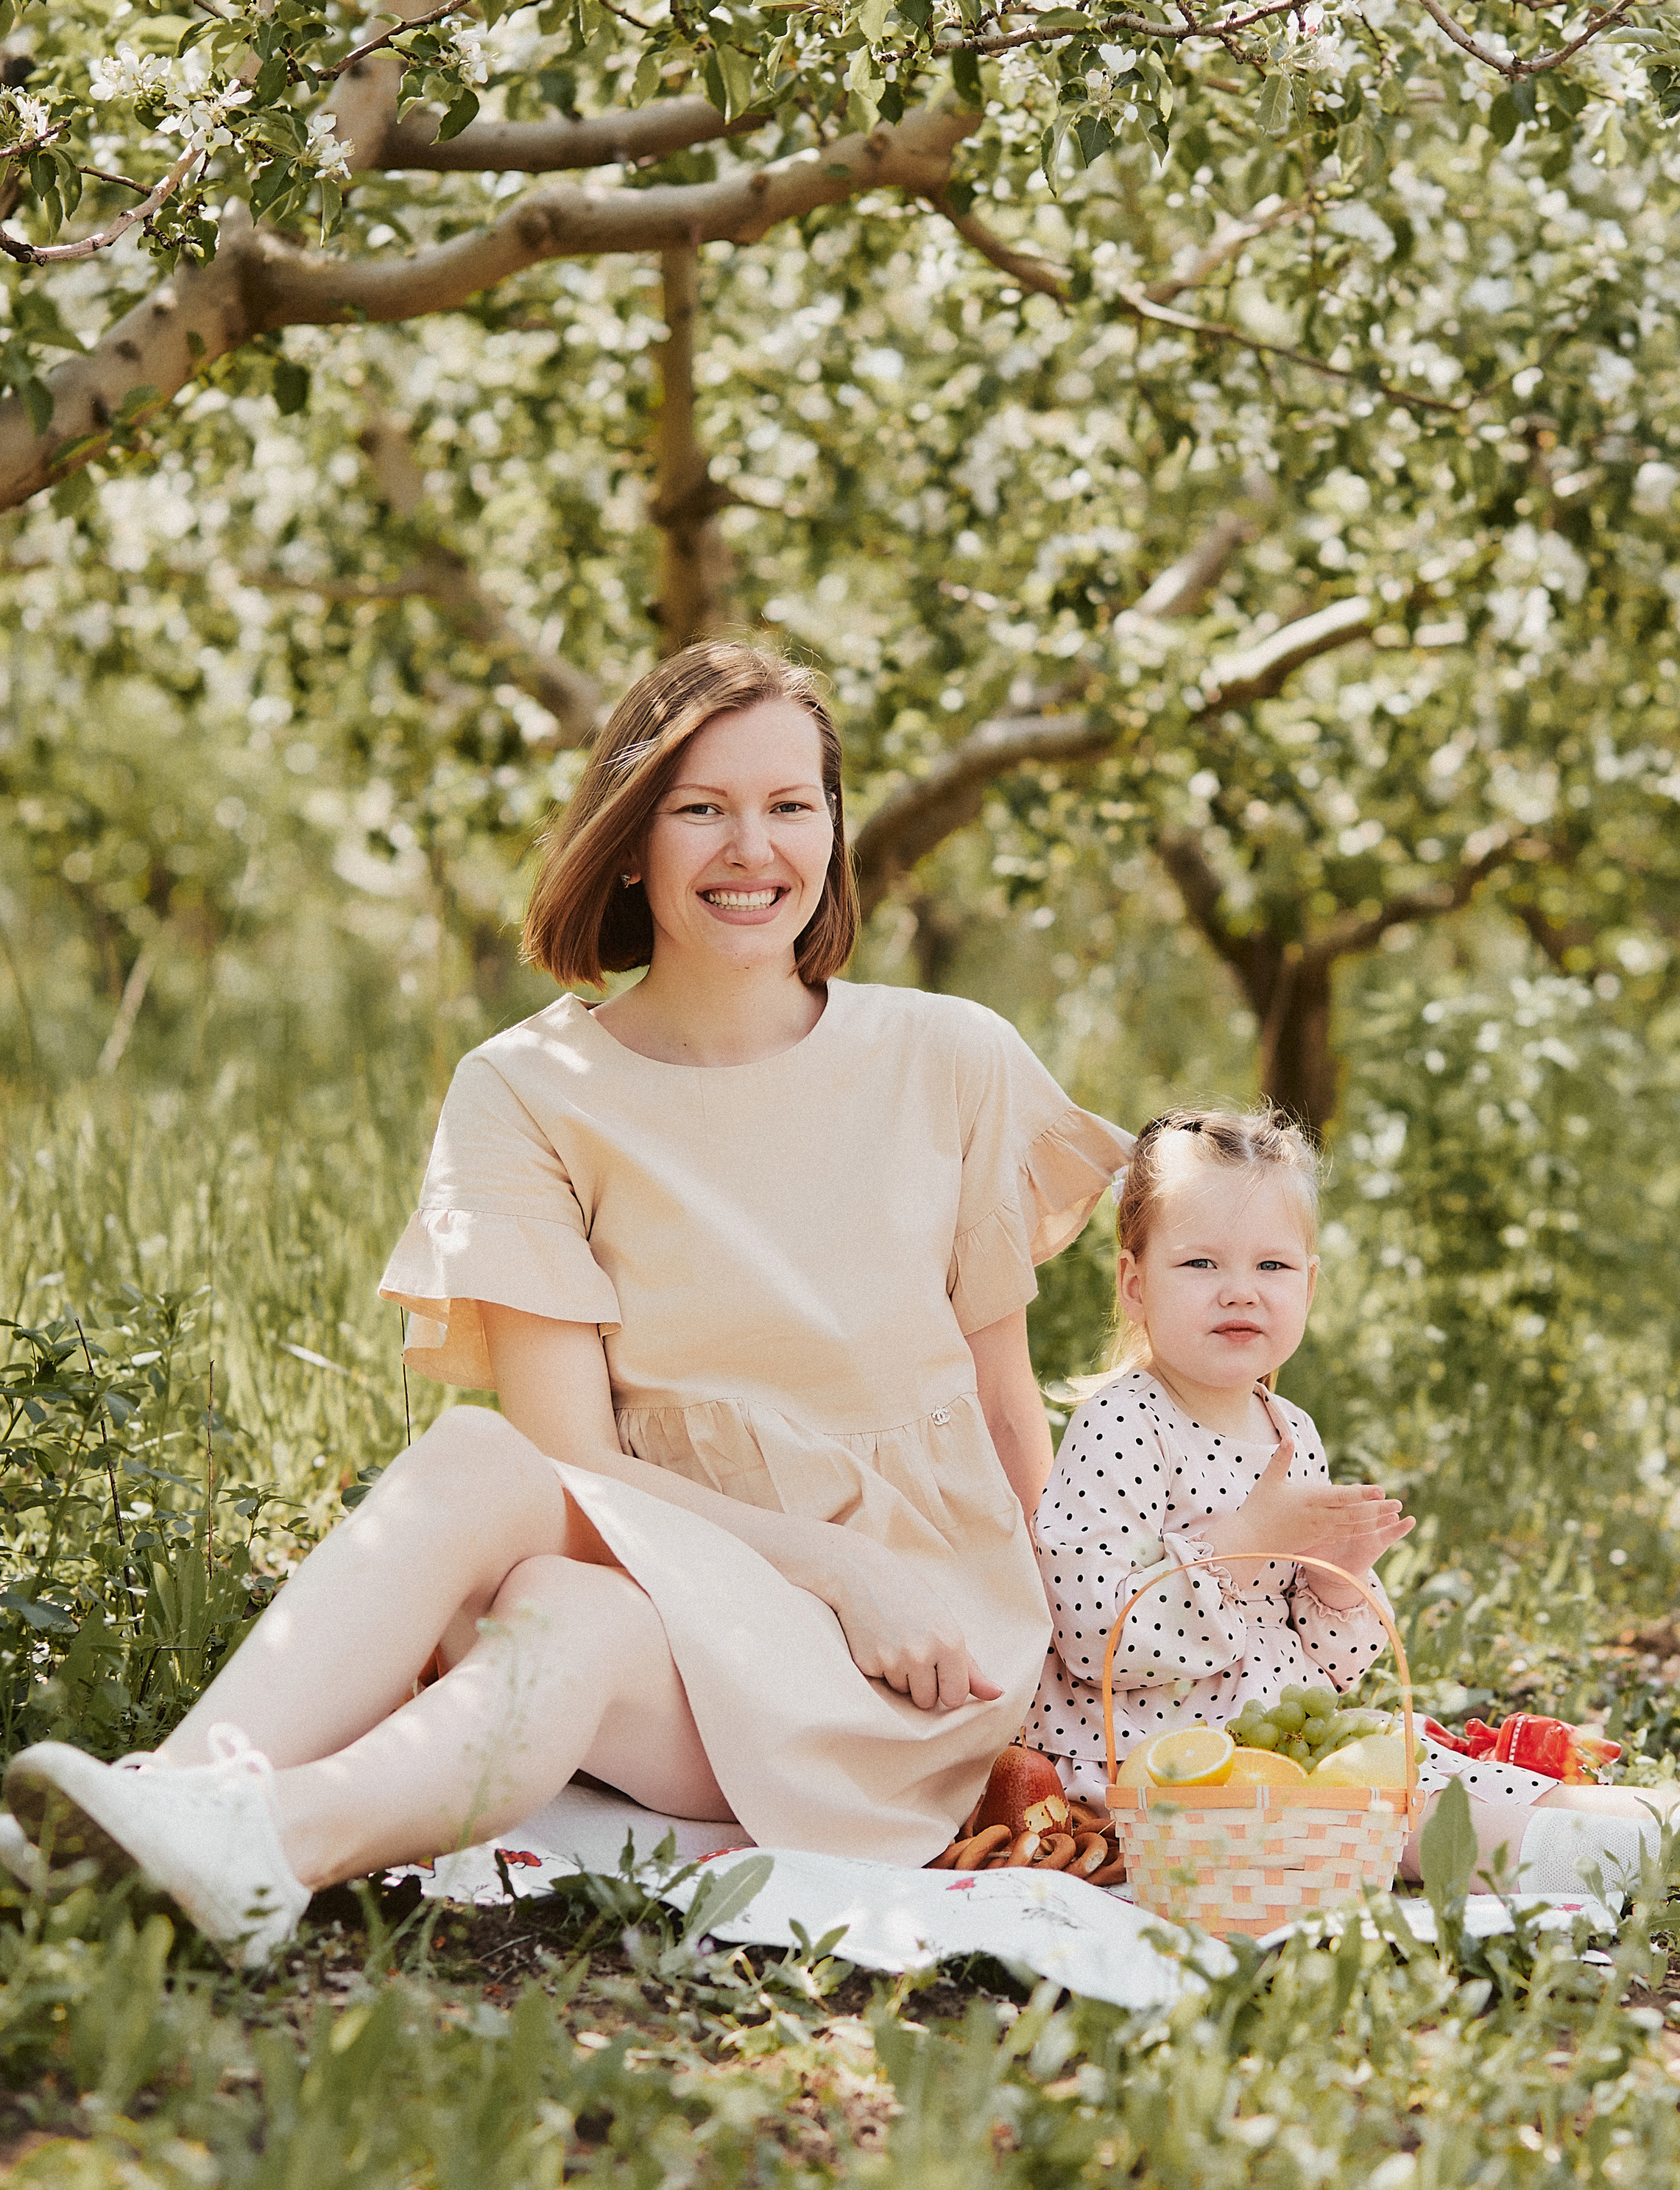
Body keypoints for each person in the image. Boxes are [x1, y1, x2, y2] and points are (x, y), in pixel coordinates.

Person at [4, 641, 1132, 1963]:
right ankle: (219, 1825)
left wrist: (1074, 1702)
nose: (751, 848)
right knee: (529, 1531)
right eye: (701, 807)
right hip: (683, 1590)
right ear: (632, 838)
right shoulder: (526, 1089)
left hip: (916, 1655)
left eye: (791, 806)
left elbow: (1008, 1406)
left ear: (834, 828)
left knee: (556, 1583)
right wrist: (835, 1565)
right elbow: (573, 1464)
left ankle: (184, 1822)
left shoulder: (953, 1058)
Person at [1026, 1107, 1680, 1934]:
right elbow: (1095, 1635)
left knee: (1455, 1769)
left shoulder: (1287, 1429)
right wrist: (1247, 1540)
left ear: (1308, 1285)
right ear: (1135, 1284)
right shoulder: (1124, 1425)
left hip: (1288, 1741)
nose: (1240, 1288)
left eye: (1271, 1264)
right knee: (1414, 1812)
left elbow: (1324, 1665)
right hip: (1169, 1767)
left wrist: (1337, 1588)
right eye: (1200, 1262)